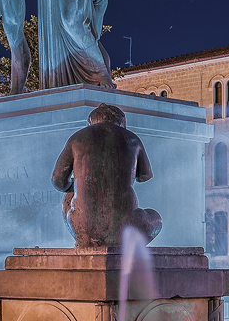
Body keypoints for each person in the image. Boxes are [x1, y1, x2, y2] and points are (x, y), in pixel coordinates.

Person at [51, 105, 161, 247]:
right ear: (121, 121)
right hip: (126, 226)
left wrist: (79, 183)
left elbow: (58, 181)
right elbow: (144, 176)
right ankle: (128, 247)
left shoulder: (76, 139)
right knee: (156, 219)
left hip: (82, 226)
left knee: (70, 194)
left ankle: (83, 239)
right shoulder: (133, 139)